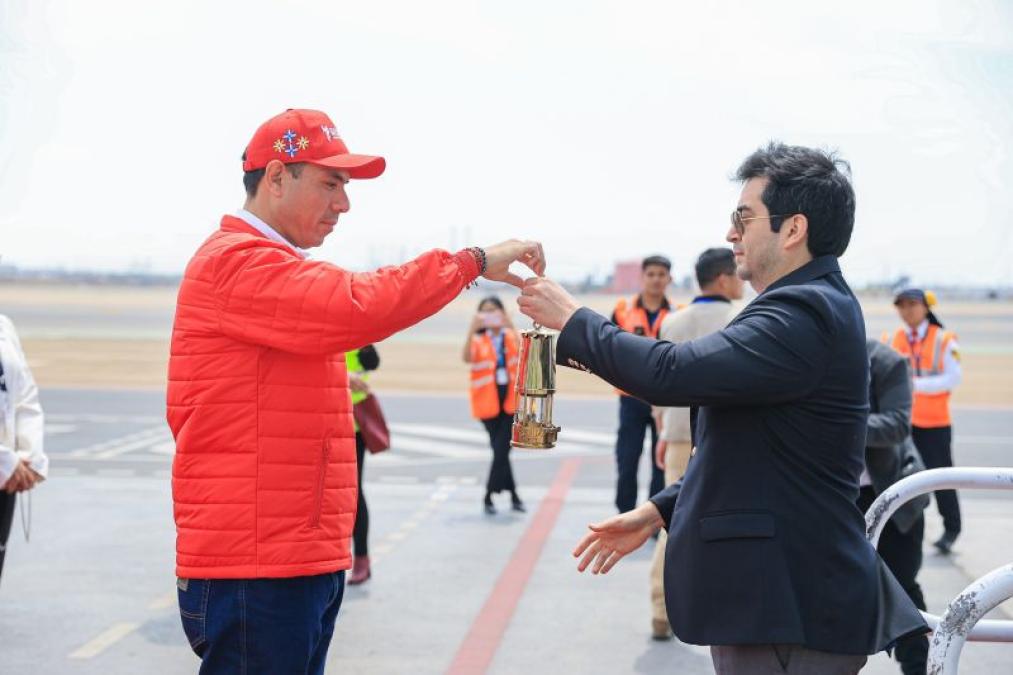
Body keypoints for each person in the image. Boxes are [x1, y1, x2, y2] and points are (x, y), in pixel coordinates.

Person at [519, 142, 927, 674]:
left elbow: (669, 372)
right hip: (778, 605)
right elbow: (760, 447)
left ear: (793, 228)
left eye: (744, 216)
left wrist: (573, 319)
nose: (731, 233)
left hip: (789, 609)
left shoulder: (805, 311)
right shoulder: (800, 304)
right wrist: (660, 509)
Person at [167, 108, 545, 674]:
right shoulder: (237, 264)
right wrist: (472, 262)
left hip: (293, 556)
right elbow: (358, 303)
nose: (343, 203)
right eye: (330, 183)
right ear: (276, 177)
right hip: (256, 564)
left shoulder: (269, 264)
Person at [648, 247, 743, 641]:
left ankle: (660, 609)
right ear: (723, 279)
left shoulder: (674, 320)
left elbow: (658, 380)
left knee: (670, 521)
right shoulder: (742, 319)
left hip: (678, 432)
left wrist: (663, 430)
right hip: (726, 436)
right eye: (736, 274)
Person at [862, 339, 931, 675]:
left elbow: (897, 424)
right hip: (833, 498)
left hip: (892, 494)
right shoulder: (809, 360)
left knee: (902, 587)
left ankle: (920, 668)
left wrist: (835, 423)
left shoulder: (885, 362)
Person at [885, 288, 962, 554]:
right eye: (901, 306)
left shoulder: (943, 339)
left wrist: (912, 386)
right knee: (904, 479)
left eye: (912, 305)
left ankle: (952, 528)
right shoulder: (895, 338)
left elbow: (953, 378)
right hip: (905, 424)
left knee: (941, 479)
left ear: (926, 308)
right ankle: (905, 527)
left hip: (935, 423)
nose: (906, 311)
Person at [610, 255, 673, 514]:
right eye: (651, 274)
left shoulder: (678, 313)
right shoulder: (622, 310)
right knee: (627, 457)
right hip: (631, 398)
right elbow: (608, 349)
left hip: (666, 399)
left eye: (661, 274)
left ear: (669, 279)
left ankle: (654, 517)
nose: (656, 279)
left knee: (661, 461)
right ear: (642, 277)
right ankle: (624, 512)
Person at [463, 296, 525, 515]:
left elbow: (524, 352)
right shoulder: (479, 339)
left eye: (494, 311)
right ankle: (513, 496)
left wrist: (510, 323)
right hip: (487, 402)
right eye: (485, 312)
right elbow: (466, 357)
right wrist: (472, 329)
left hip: (509, 401)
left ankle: (489, 495)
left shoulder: (510, 336)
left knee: (501, 450)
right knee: (501, 452)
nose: (490, 315)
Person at [0, 314, 48, 586]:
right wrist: (6, 461)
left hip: (7, 481)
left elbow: (24, 395)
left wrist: (29, 457)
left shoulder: (4, 326)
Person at [347, 344, 380, 586]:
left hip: (352, 428)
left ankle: (361, 559)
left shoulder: (357, 340)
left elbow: (372, 363)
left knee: (354, 494)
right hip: (321, 424)